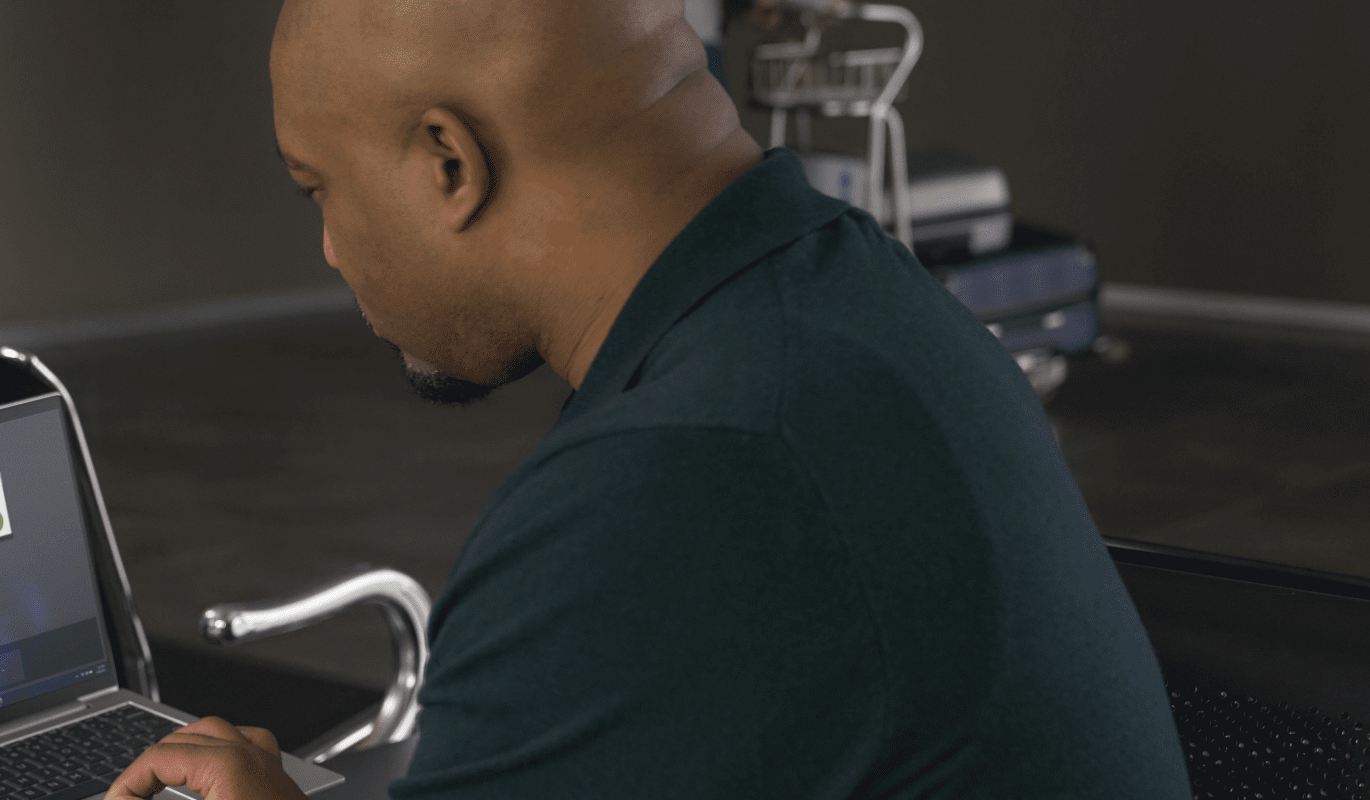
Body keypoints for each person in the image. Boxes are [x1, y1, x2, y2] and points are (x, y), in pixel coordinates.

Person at [110, 0, 1188, 798]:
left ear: (448, 162)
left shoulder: (680, 478)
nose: (333, 249)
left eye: (319, 189)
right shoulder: (855, 289)